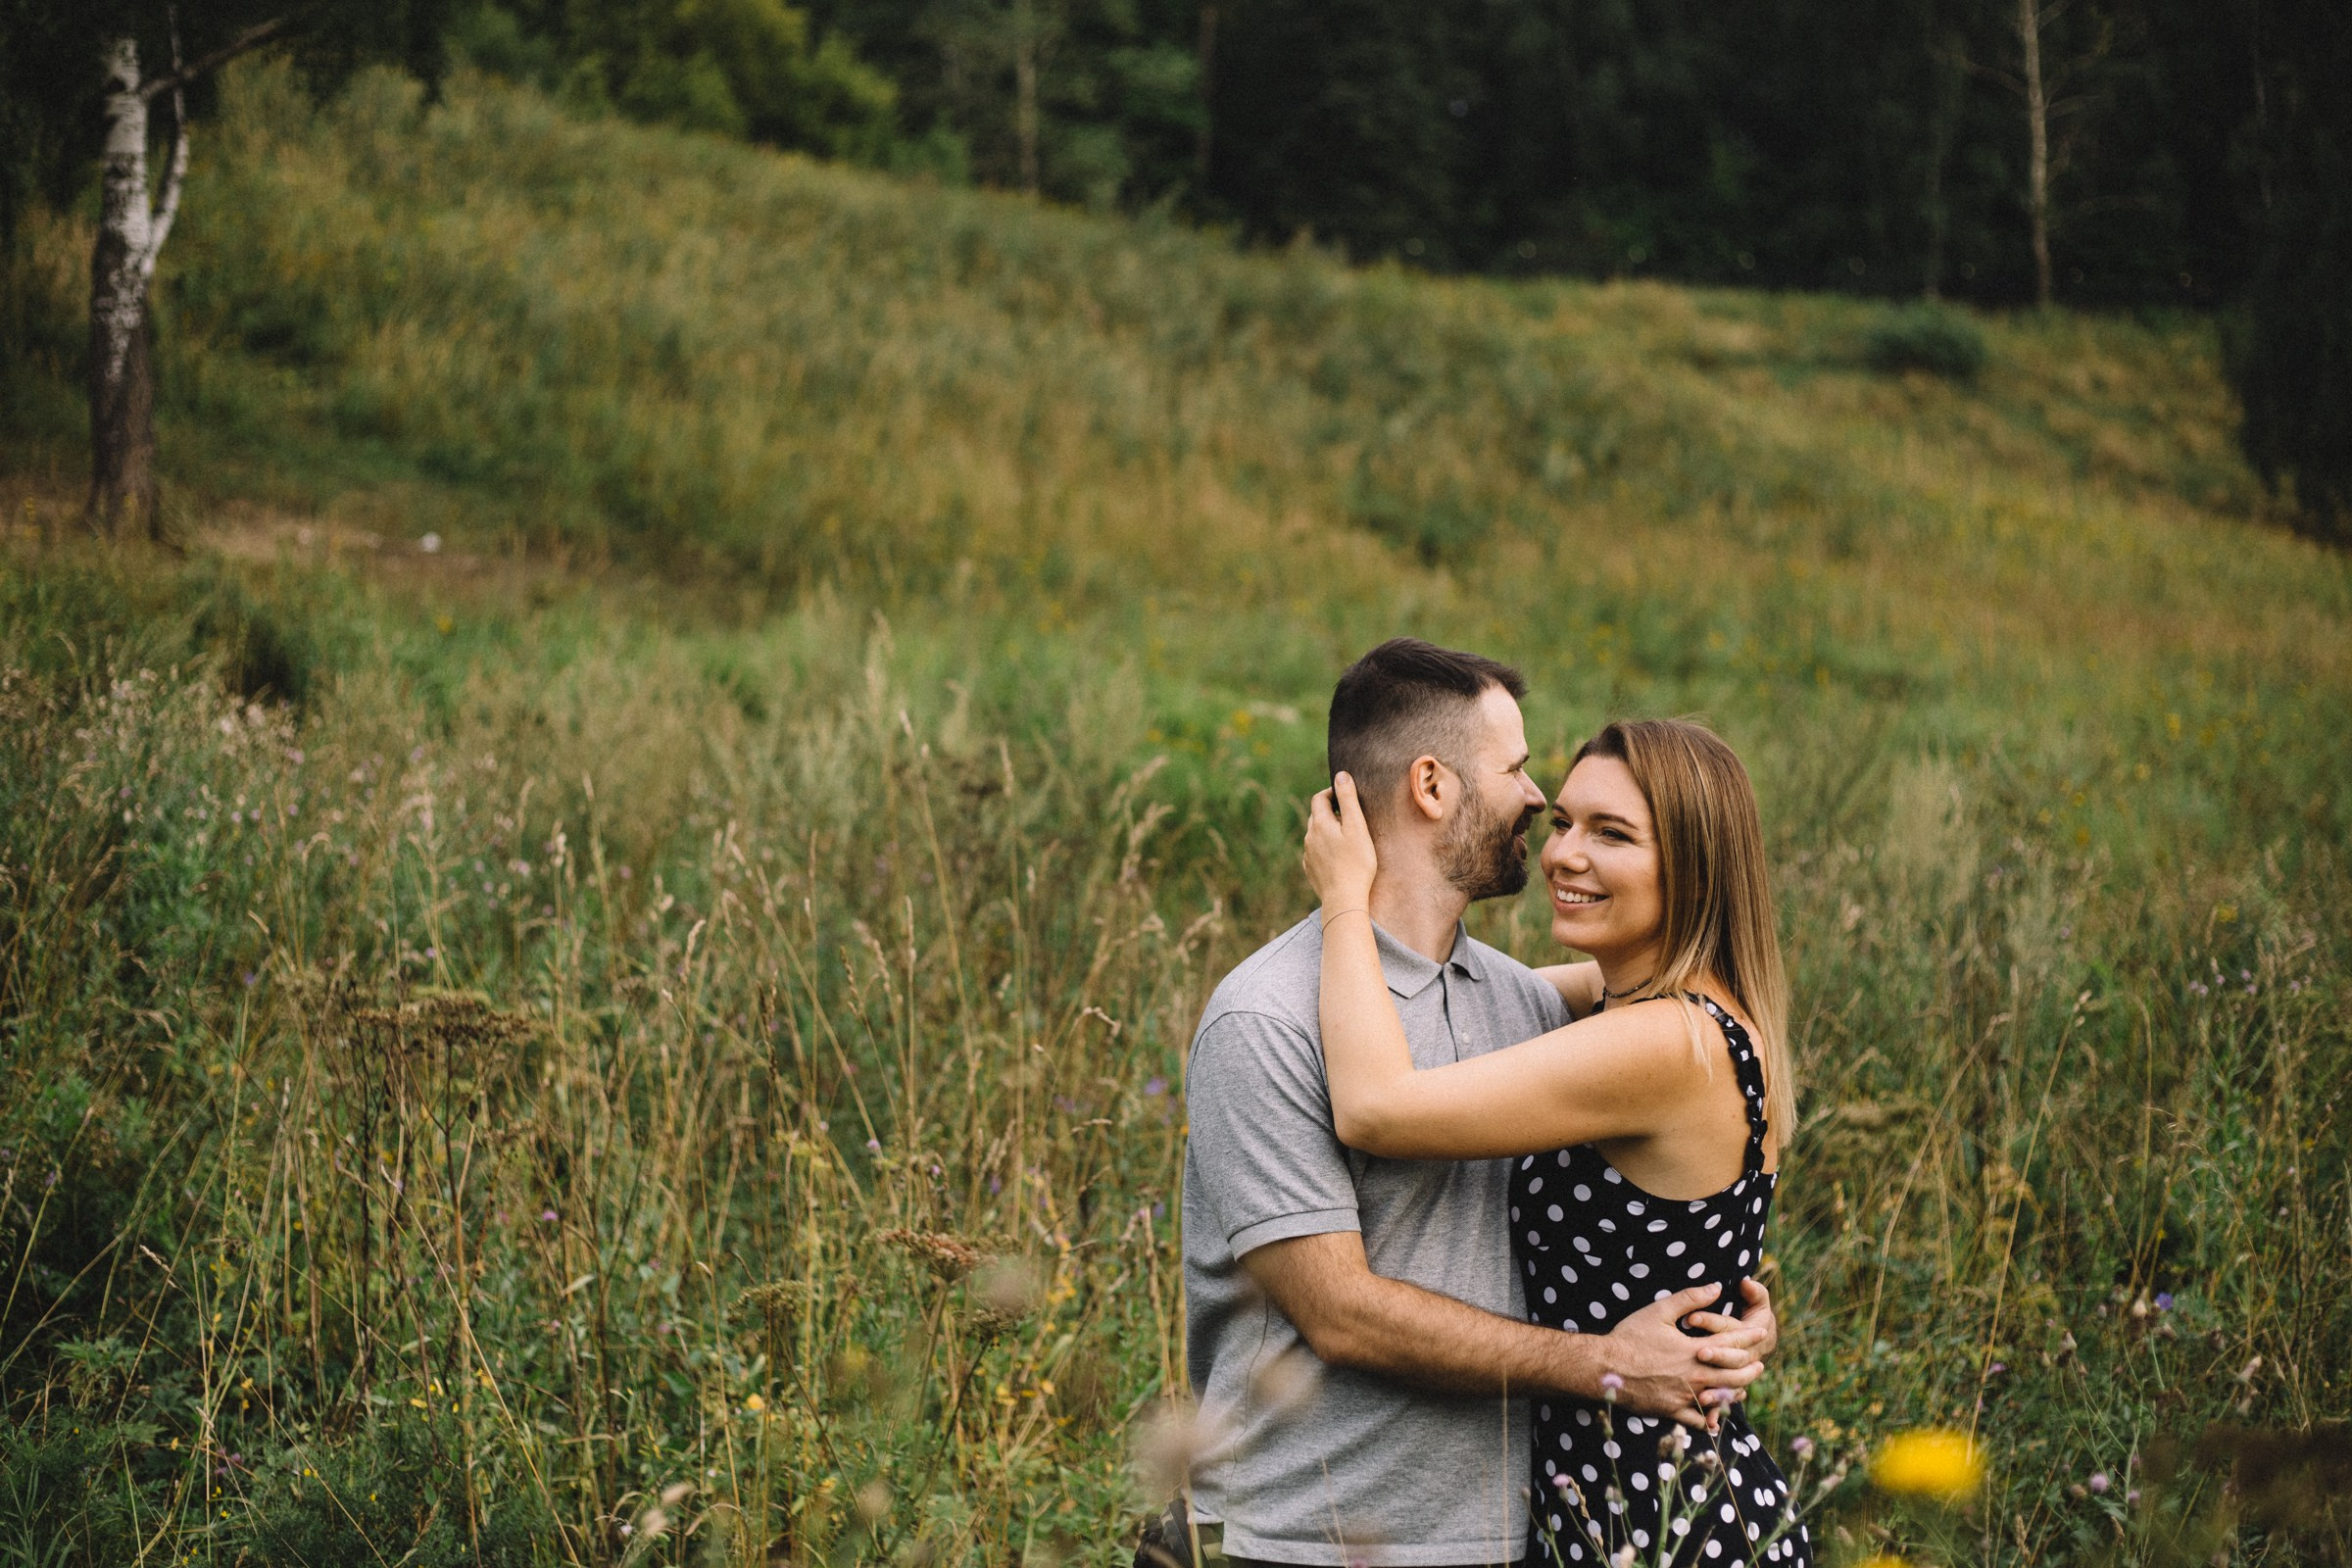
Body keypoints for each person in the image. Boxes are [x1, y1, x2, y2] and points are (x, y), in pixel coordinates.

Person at [1152, 643, 1777, 1568]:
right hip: (1302, 1539)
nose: (1542, 814)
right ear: (1432, 786)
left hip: (1524, 1533)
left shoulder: (1531, 1007)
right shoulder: (1267, 1017)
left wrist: (1724, 1312)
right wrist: (1613, 1362)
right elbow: (1341, 1314)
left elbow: (1683, 1093)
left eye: (1607, 830)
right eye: (1527, 777)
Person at [1301, 715, 1811, 1567]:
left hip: (1653, 1516)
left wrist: (1345, 900)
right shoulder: (1649, 1005)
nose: (1565, 855)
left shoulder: (1662, 1044)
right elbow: (1458, 1010)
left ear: (1694, 863)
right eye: (1565, 821)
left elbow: (1378, 1109)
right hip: (1622, 1491)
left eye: (1613, 834)